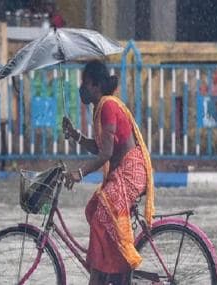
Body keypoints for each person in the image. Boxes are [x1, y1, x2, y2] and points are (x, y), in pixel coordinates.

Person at [62, 60, 155, 285]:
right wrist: (75, 135)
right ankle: (107, 271)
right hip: (120, 173)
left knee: (103, 214)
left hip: (130, 173)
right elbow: (100, 146)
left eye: (84, 83)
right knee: (94, 209)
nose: (81, 88)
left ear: (95, 85)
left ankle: (106, 274)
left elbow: (105, 153)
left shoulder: (109, 106)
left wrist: (80, 173)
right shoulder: (100, 107)